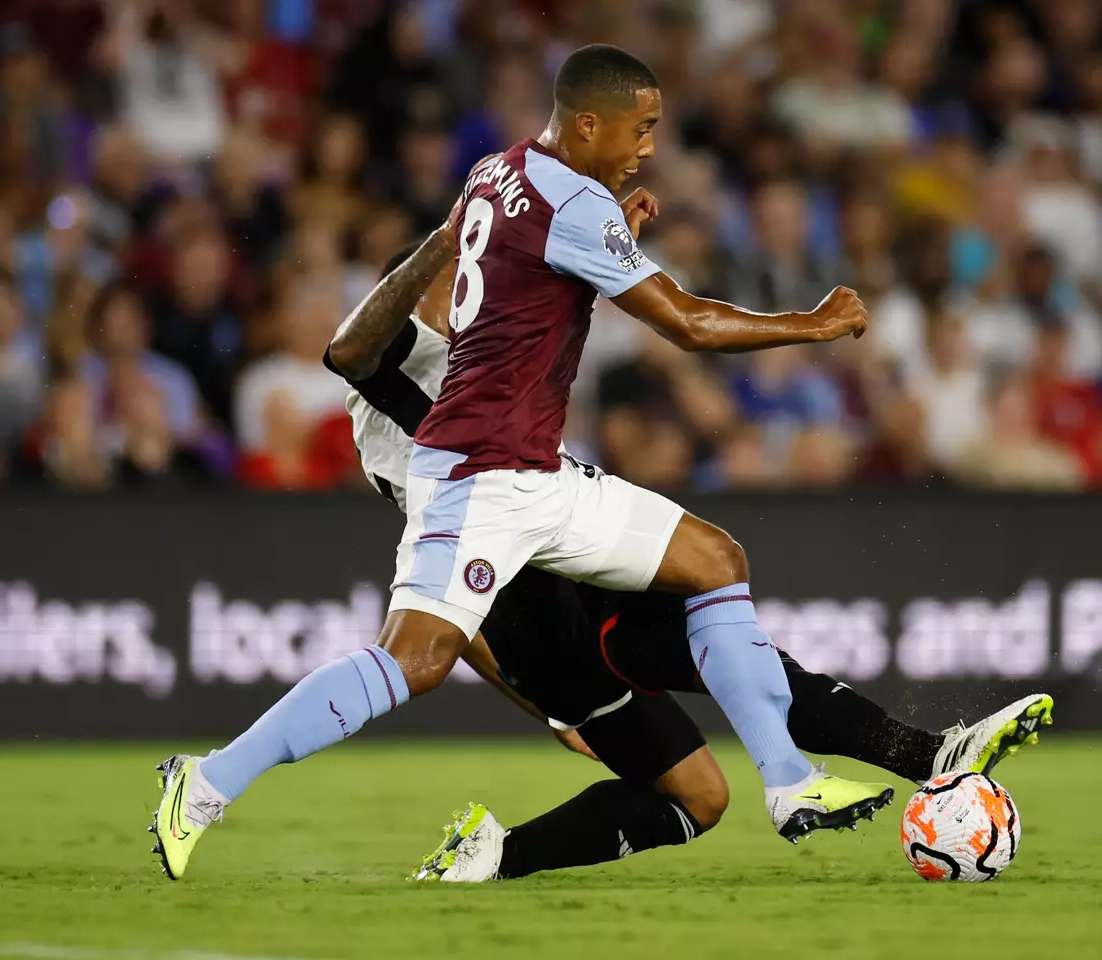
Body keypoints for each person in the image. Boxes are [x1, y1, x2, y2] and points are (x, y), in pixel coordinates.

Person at [151, 45, 894, 881]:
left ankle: (790, 783)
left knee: (715, 560)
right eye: (640, 128)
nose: (649, 145)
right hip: (477, 474)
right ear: (588, 123)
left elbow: (531, 263)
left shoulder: (497, 171)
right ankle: (205, 783)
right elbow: (687, 323)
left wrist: (610, 224)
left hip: (538, 473)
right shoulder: (573, 205)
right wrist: (814, 323)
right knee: (415, 661)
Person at [330, 241, 1054, 883]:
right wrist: (548, 711)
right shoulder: (390, 390)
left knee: (724, 676)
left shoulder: (470, 357)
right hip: (537, 614)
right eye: (455, 279)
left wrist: (604, 244)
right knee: (700, 787)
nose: (471, 291)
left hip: (571, 555)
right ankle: (494, 855)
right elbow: (448, 606)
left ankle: (928, 755)